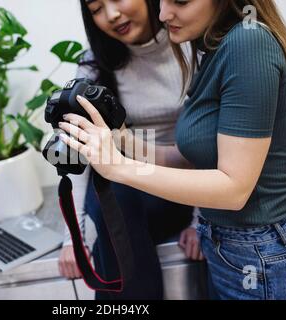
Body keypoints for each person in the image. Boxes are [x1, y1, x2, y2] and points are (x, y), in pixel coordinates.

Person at [58, 0, 286, 300]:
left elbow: (234, 189)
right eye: (163, 1)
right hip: (229, 249)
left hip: (260, 257)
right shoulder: (215, 51)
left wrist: (119, 167)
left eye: (180, 1)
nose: (163, 14)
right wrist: (120, 140)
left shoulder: (247, 45)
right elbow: (183, 158)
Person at [58, 0, 203, 300]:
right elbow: (77, 149)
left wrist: (202, 221)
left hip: (183, 184)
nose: (111, 15)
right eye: (96, 9)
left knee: (113, 211)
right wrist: (73, 237)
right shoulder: (94, 64)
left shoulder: (194, 46)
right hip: (122, 190)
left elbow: (211, 141)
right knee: (112, 193)